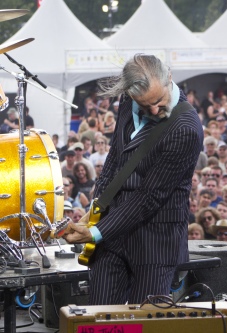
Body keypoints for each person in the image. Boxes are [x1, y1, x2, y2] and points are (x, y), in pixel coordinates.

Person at [63, 54, 203, 305]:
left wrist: (95, 232)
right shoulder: (128, 99)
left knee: (143, 323)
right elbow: (116, 159)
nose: (153, 110)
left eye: (159, 101)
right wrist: (96, 208)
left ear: (168, 77)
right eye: (144, 104)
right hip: (112, 234)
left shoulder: (185, 128)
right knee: (100, 317)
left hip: (155, 243)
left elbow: (148, 197)